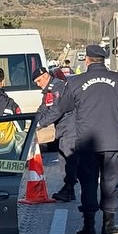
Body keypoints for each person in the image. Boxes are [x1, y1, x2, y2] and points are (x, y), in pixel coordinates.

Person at [36, 45, 118, 234]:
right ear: (104, 60)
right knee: (110, 181)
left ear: (87, 60)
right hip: (112, 139)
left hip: (87, 141)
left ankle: (88, 226)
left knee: (88, 182)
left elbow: (64, 106)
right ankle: (109, 223)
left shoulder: (75, 82)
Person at [33, 66, 77, 202]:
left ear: (46, 76)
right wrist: (33, 121)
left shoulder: (57, 87)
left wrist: (40, 125)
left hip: (70, 127)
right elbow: (43, 109)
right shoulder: (49, 91)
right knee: (65, 158)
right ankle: (69, 188)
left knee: (67, 158)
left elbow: (56, 110)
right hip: (64, 128)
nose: (38, 84)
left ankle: (69, 189)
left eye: (39, 81)